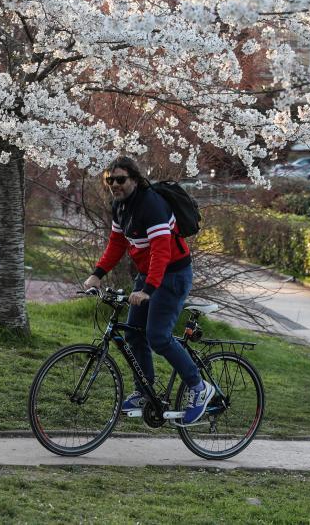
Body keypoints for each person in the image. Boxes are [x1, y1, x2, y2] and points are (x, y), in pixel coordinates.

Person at [82, 156, 213, 426]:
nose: (114, 185)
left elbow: (162, 251)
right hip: (149, 275)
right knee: (133, 333)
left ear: (135, 179)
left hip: (173, 275)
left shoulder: (151, 204)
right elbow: (117, 243)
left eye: (120, 179)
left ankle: (199, 387)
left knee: (158, 337)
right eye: (109, 180)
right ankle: (144, 391)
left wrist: (148, 289)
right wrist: (97, 274)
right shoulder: (120, 206)